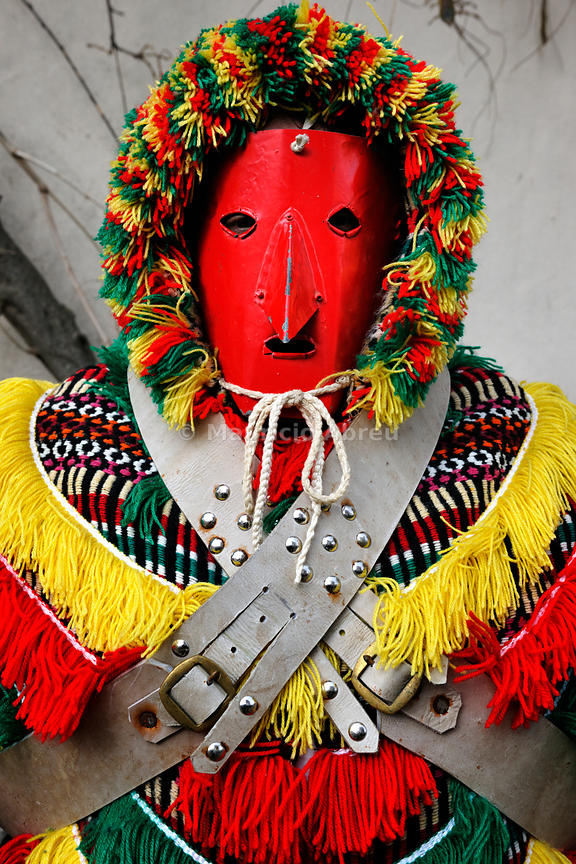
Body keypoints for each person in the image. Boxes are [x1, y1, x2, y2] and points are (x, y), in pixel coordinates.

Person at [0, 3, 575, 863]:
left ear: (409, 245)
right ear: (176, 237)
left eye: (344, 225)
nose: (289, 300)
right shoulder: (49, 459)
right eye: (241, 226)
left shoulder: (523, 453)